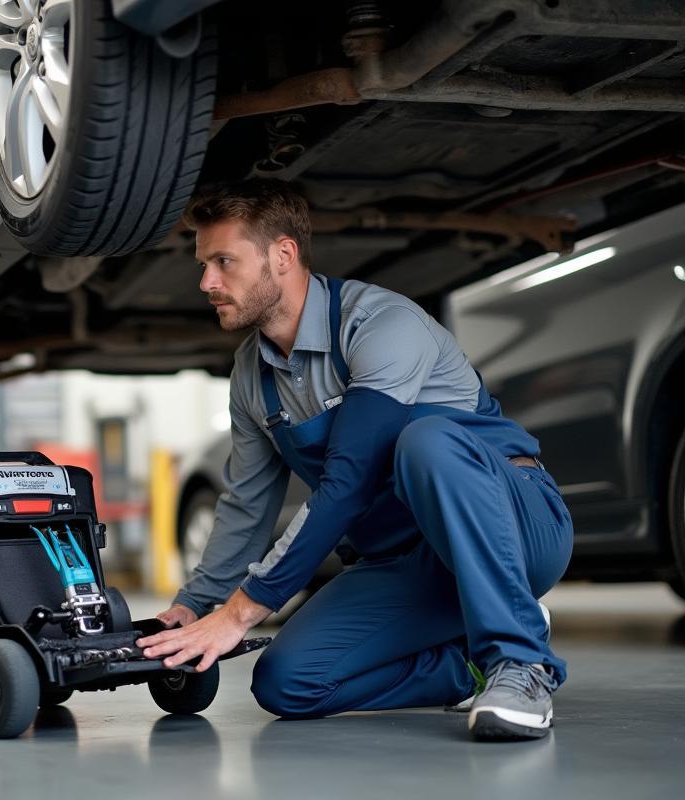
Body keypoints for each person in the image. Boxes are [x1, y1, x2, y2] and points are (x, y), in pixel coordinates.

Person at [138, 181, 574, 741]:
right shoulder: (251, 378)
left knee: (429, 442)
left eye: (224, 262)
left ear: (283, 255)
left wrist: (242, 612)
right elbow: (246, 506)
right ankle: (468, 661)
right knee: (287, 683)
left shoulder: (382, 326)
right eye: (204, 265)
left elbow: (348, 479)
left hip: (520, 529)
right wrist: (196, 607)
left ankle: (520, 660)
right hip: (406, 563)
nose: (207, 283)